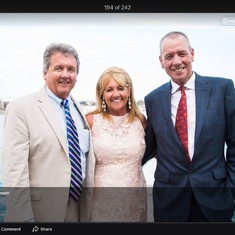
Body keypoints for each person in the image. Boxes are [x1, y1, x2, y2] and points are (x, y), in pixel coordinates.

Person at [142, 31, 235, 222]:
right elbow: (147, 146)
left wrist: (231, 188)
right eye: (169, 56)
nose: (176, 61)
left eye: (182, 53)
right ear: (161, 61)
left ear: (192, 53)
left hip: (215, 199)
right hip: (169, 203)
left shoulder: (222, 89)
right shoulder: (153, 99)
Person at [1, 42, 95, 222]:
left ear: (76, 75)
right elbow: (14, 173)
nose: (65, 75)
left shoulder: (78, 111)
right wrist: (24, 220)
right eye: (59, 68)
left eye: (71, 69)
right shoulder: (21, 108)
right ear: (45, 73)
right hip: (39, 215)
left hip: (77, 210)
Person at [85, 66, 147, 222]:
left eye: (120, 88)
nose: (116, 94)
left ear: (129, 91)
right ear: (102, 94)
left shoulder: (141, 121)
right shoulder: (90, 121)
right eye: (109, 90)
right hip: (100, 203)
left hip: (135, 201)